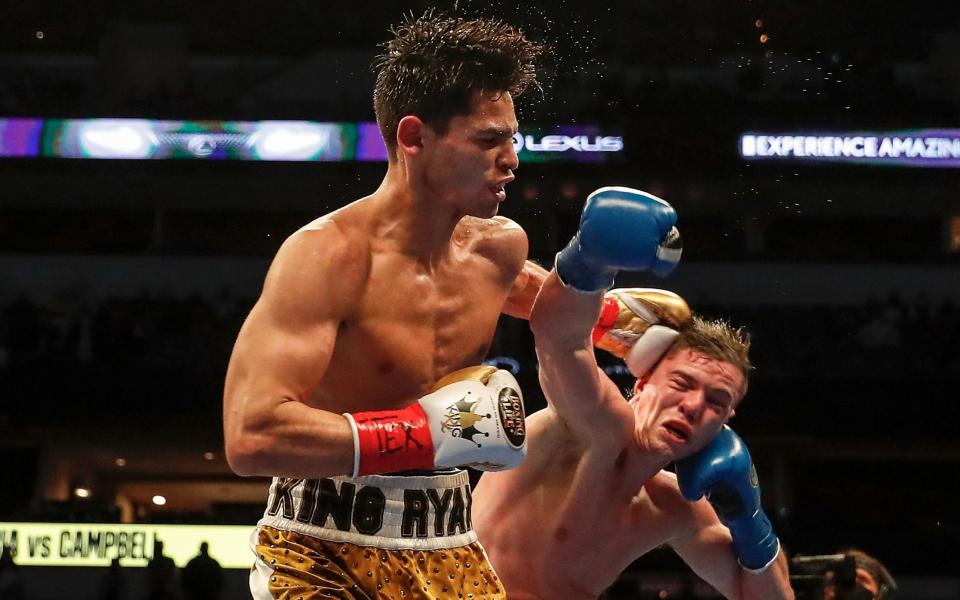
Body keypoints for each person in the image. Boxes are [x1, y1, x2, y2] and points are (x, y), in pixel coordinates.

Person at [222, 11, 547, 599]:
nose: (512, 160)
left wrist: (628, 312)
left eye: (512, 139)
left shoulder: (499, 251)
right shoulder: (327, 257)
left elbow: (562, 310)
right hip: (317, 546)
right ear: (414, 137)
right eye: (488, 140)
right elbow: (251, 435)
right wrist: (423, 433)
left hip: (451, 545)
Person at [473, 186, 794, 599]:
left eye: (717, 401)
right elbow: (559, 336)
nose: (694, 406)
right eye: (681, 384)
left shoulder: (675, 506)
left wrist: (750, 521)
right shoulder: (594, 424)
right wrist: (588, 263)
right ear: (641, 384)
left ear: (727, 421)